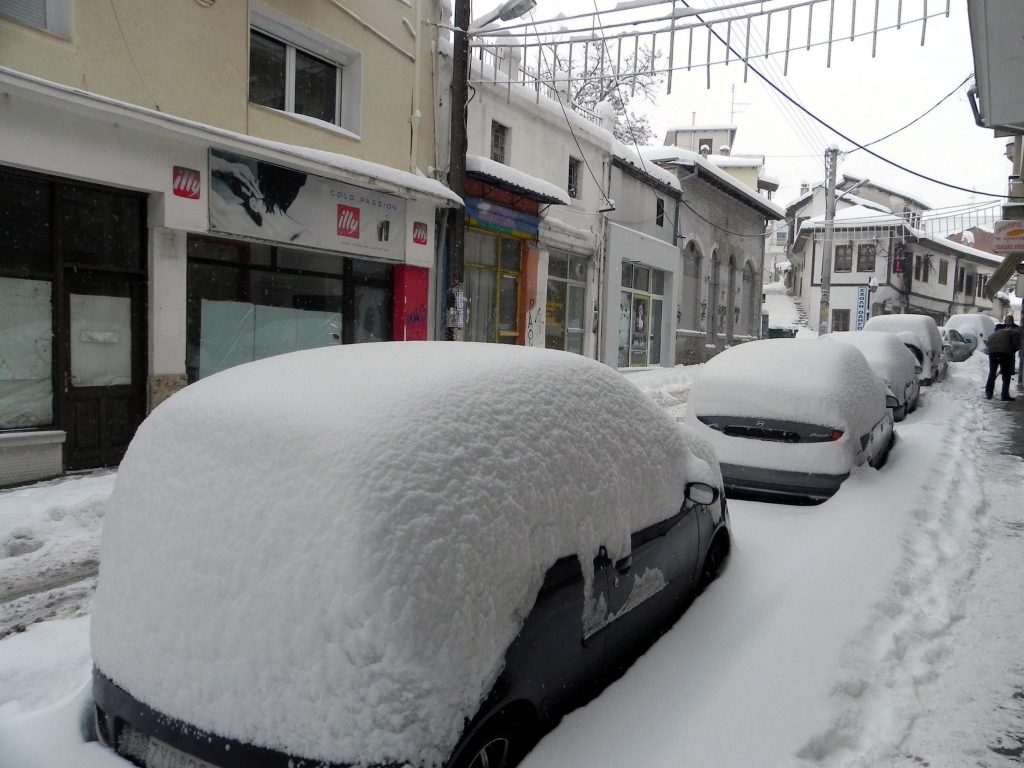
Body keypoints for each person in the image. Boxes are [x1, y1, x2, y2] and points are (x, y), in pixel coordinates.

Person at [985, 318, 1020, 401]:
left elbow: (989, 341)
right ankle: (1005, 395)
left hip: (992, 352)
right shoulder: (1015, 332)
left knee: (992, 372)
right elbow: (1015, 344)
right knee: (1006, 374)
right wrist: (1013, 350)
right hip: (1004, 352)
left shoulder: (998, 331)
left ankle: (989, 393)